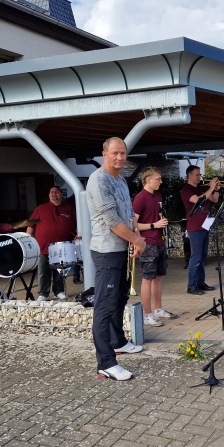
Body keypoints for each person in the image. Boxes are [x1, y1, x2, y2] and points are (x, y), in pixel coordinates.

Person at [87, 137, 146, 381]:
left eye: (123, 153)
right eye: (115, 153)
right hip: (106, 251)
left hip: (122, 248)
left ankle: (118, 341)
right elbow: (112, 221)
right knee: (105, 306)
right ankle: (106, 363)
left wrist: (136, 236)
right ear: (104, 154)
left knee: (120, 298)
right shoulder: (98, 180)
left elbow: (130, 214)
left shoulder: (120, 180)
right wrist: (137, 240)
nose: (120, 157)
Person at [132, 166, 179, 327]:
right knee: (147, 278)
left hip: (159, 240)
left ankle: (158, 309)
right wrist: (154, 225)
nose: (161, 182)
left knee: (158, 277)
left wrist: (161, 224)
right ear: (148, 180)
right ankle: (147, 315)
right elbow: (134, 224)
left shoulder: (157, 195)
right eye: (158, 179)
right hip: (148, 242)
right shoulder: (140, 198)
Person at [27, 186, 77, 301]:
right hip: (43, 247)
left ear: (61, 194)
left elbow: (76, 225)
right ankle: (43, 293)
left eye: (56, 192)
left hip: (62, 248)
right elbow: (30, 225)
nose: (54, 194)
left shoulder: (69, 209)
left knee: (59, 271)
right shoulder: (40, 209)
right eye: (51, 192)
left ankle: (59, 291)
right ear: (49, 195)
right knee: (43, 272)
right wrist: (28, 242)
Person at [180, 165, 219, 295]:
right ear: (189, 175)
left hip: (204, 225)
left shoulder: (200, 188)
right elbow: (198, 200)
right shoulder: (186, 190)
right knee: (195, 257)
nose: (199, 177)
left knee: (202, 257)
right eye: (197, 175)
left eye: (199, 174)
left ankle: (200, 282)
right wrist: (211, 188)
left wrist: (216, 190)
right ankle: (191, 285)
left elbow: (214, 199)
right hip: (195, 227)